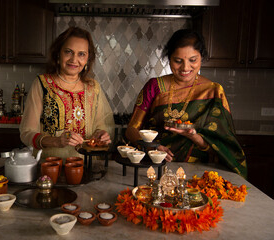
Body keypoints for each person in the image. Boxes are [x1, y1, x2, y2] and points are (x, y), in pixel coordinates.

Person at [125, 29, 247, 178]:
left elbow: (222, 148)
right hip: (154, 170)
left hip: (197, 175)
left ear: (202, 58)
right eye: (178, 61)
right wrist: (153, 147)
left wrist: (193, 136)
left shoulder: (213, 92)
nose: (185, 68)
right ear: (169, 58)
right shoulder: (154, 86)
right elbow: (131, 130)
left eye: (193, 60)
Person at [20, 27, 115, 161]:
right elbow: (26, 133)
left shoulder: (93, 88)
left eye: (81, 54)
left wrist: (101, 134)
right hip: (50, 167)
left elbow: (101, 125)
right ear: (58, 53)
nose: (74, 59)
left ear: (88, 58)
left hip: (86, 167)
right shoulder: (42, 84)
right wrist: (56, 141)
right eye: (68, 52)